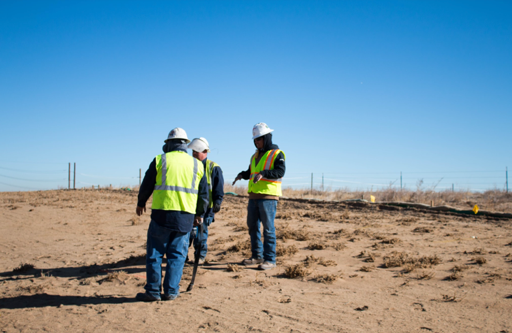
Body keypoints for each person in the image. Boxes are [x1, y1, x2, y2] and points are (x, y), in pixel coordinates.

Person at [135, 127, 209, 302]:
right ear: (185, 144)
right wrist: (199, 214)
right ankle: (171, 291)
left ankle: (153, 291)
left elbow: (147, 183)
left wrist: (141, 202)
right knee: (177, 256)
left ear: (168, 144)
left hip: (162, 214)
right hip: (185, 218)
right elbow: (204, 193)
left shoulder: (160, 159)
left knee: (155, 254)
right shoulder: (197, 164)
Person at [232, 123, 286, 270]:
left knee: (268, 229)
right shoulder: (255, 155)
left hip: (268, 197)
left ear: (267, 138)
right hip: (254, 197)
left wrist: (264, 174)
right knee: (252, 226)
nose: (257, 142)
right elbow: (251, 171)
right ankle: (257, 256)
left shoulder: (277, 154)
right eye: (255, 140)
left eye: (259, 139)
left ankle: (270, 259)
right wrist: (242, 175)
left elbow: (280, 171)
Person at [187, 137, 224, 264]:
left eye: (196, 153)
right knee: (188, 233)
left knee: (201, 234)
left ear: (204, 152)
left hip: (207, 209)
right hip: (190, 206)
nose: (193, 155)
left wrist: (218, 202)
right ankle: (183, 255)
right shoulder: (190, 166)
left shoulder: (213, 167)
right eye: (192, 153)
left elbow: (218, 188)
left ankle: (200, 256)